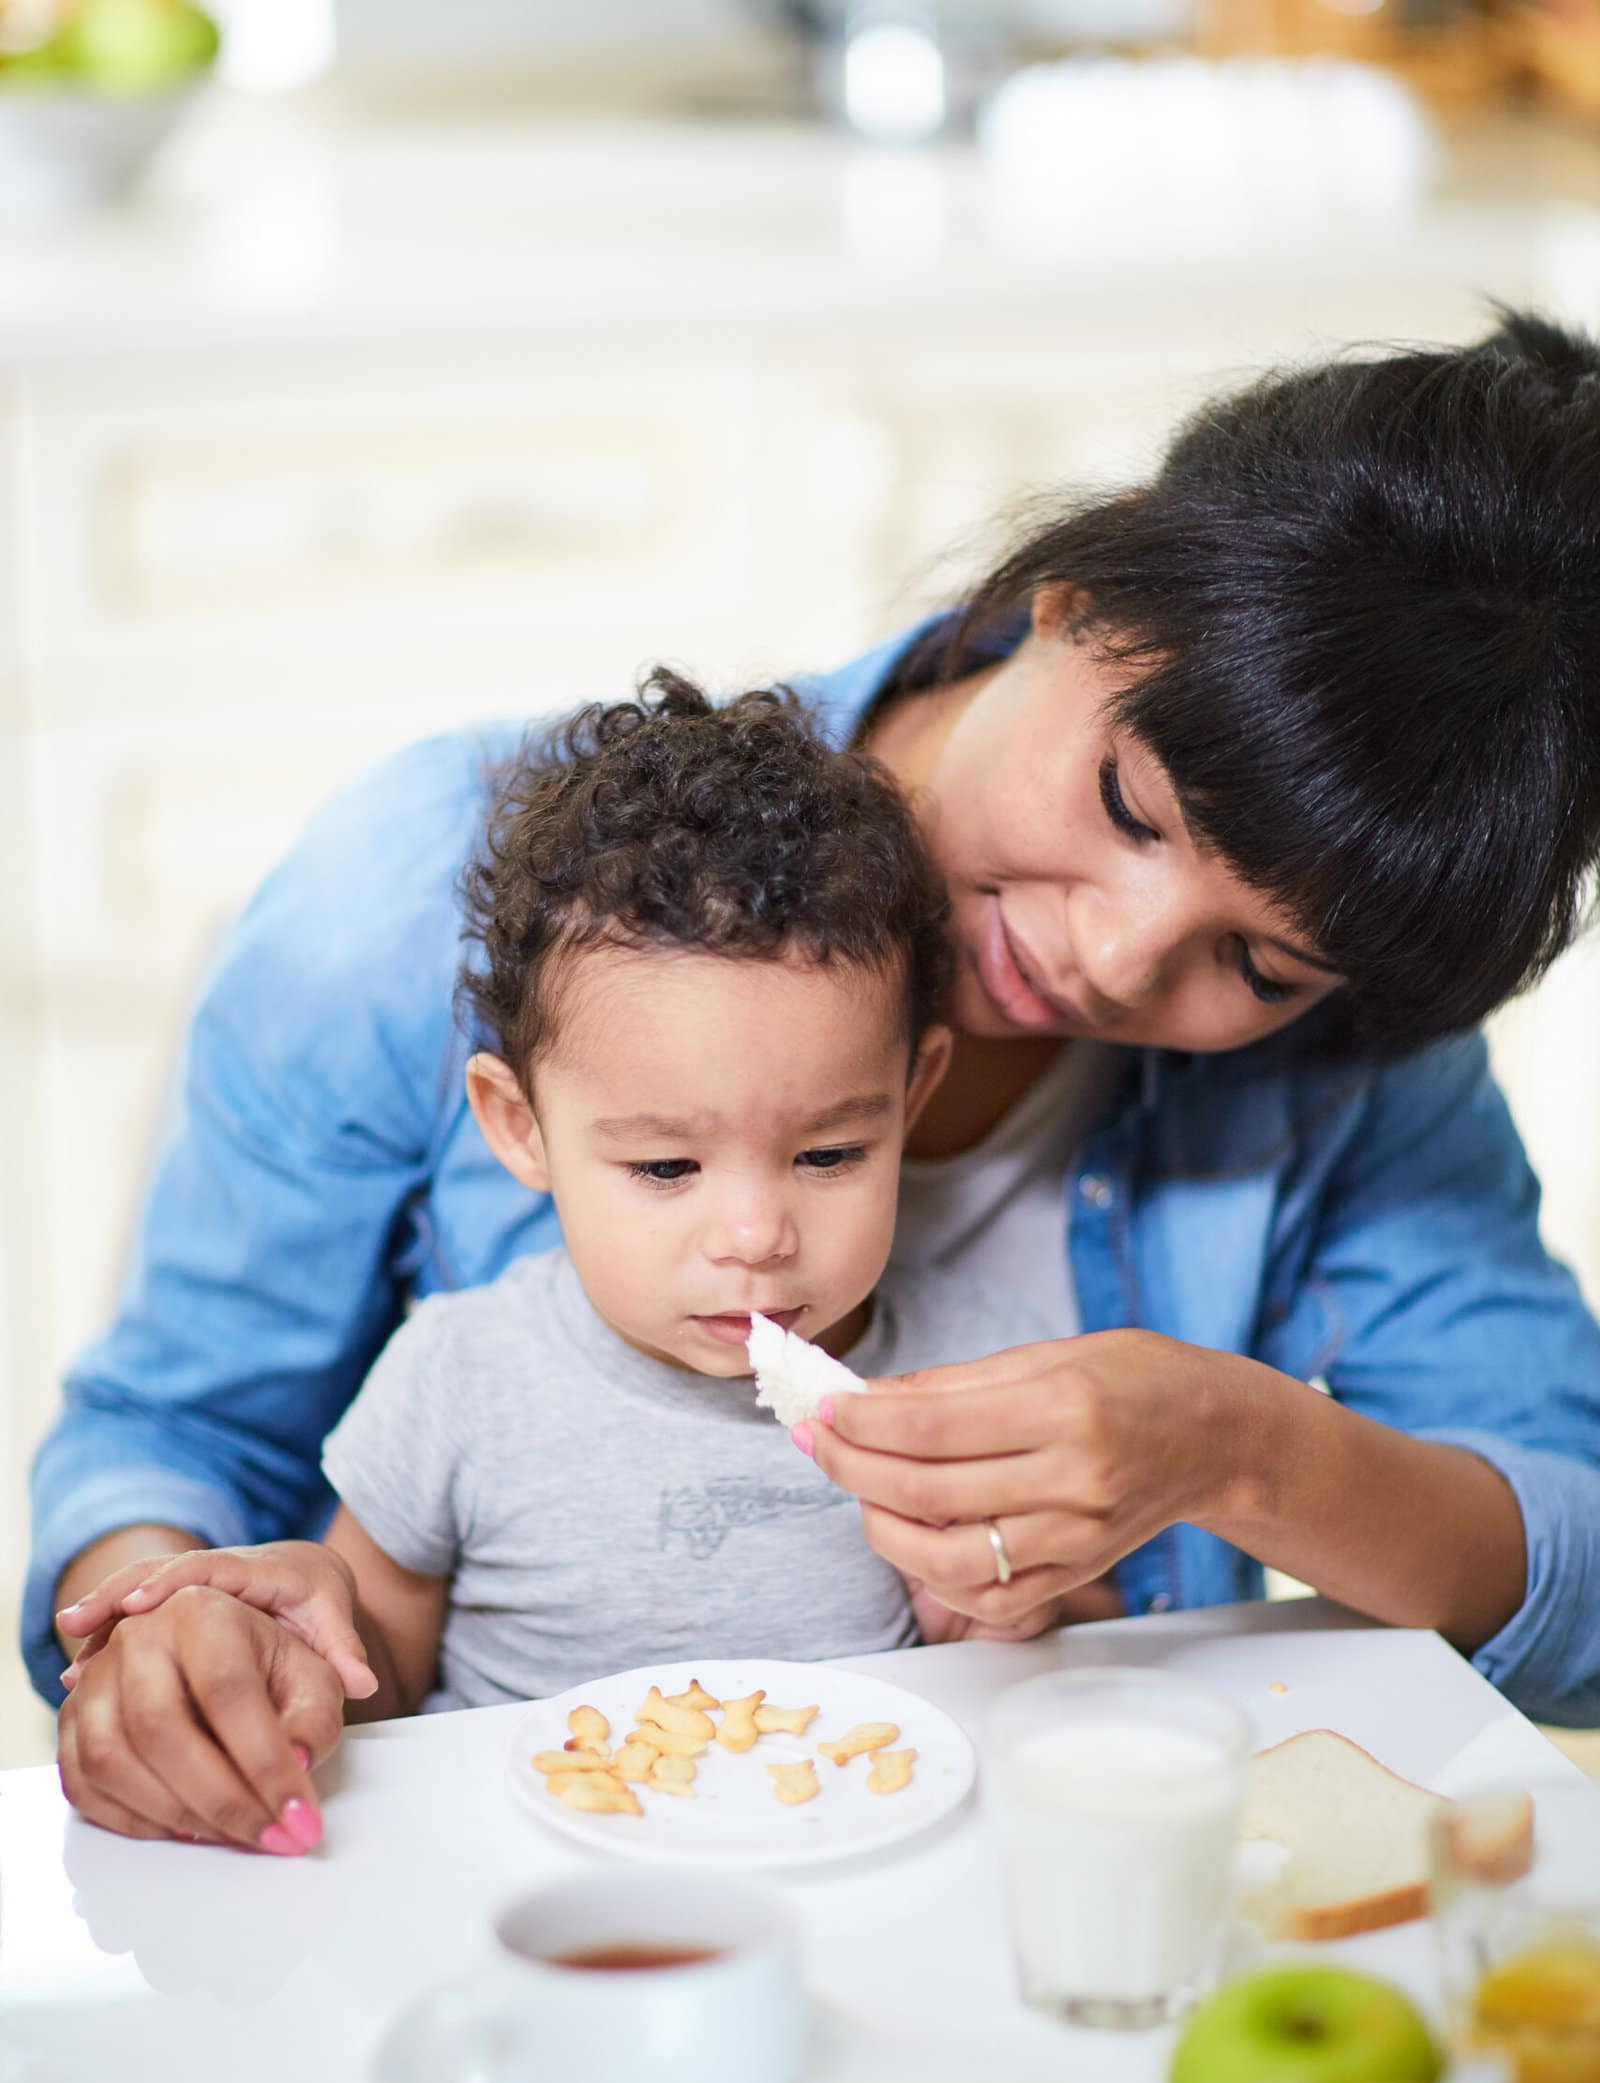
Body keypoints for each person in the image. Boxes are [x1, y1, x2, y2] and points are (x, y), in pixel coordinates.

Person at [37, 308, 1600, 1854]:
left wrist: (1238, 1449)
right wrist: (180, 1641)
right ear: (1070, 596)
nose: (1120, 962)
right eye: (1131, 804)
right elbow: (178, 1439)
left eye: (1258, 966)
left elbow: (1576, 1580)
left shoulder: (1357, 1047)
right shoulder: (414, 890)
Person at [60, 675, 1073, 1774]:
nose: (753, 1235)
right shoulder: (461, 1375)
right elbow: (379, 1674)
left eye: (827, 1155)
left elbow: (1063, 1642)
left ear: (912, 1096)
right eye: (665, 1166)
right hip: (521, 1896)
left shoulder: (979, 1378)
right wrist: (300, 1648)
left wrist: (1005, 1613)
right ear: (518, 1125)